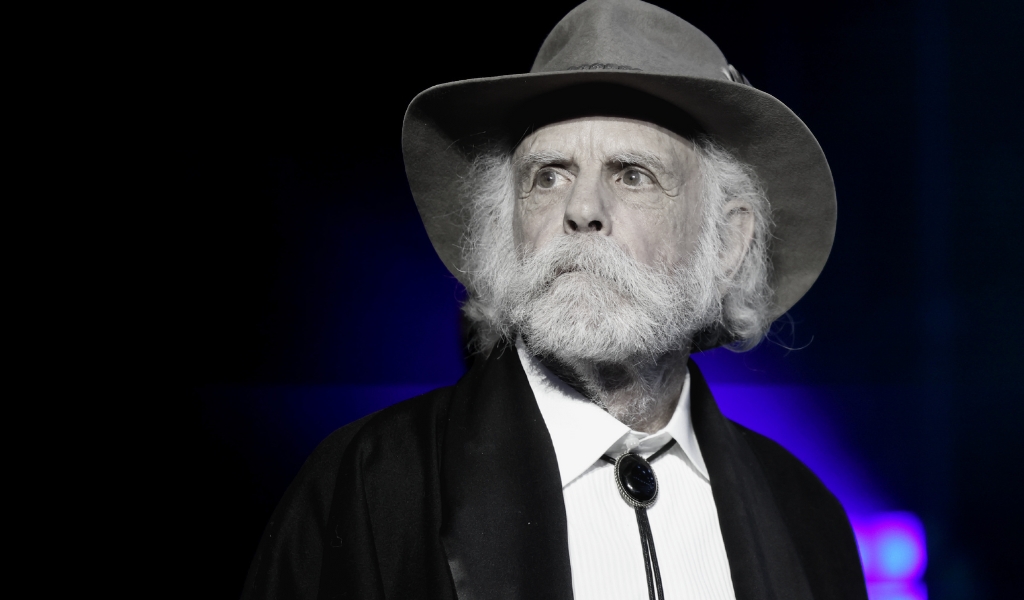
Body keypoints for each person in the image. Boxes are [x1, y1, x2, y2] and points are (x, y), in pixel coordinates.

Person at [242, 1, 865, 598]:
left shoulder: (808, 519)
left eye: (632, 174)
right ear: (505, 229)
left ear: (727, 242)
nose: (582, 208)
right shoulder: (367, 486)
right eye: (548, 176)